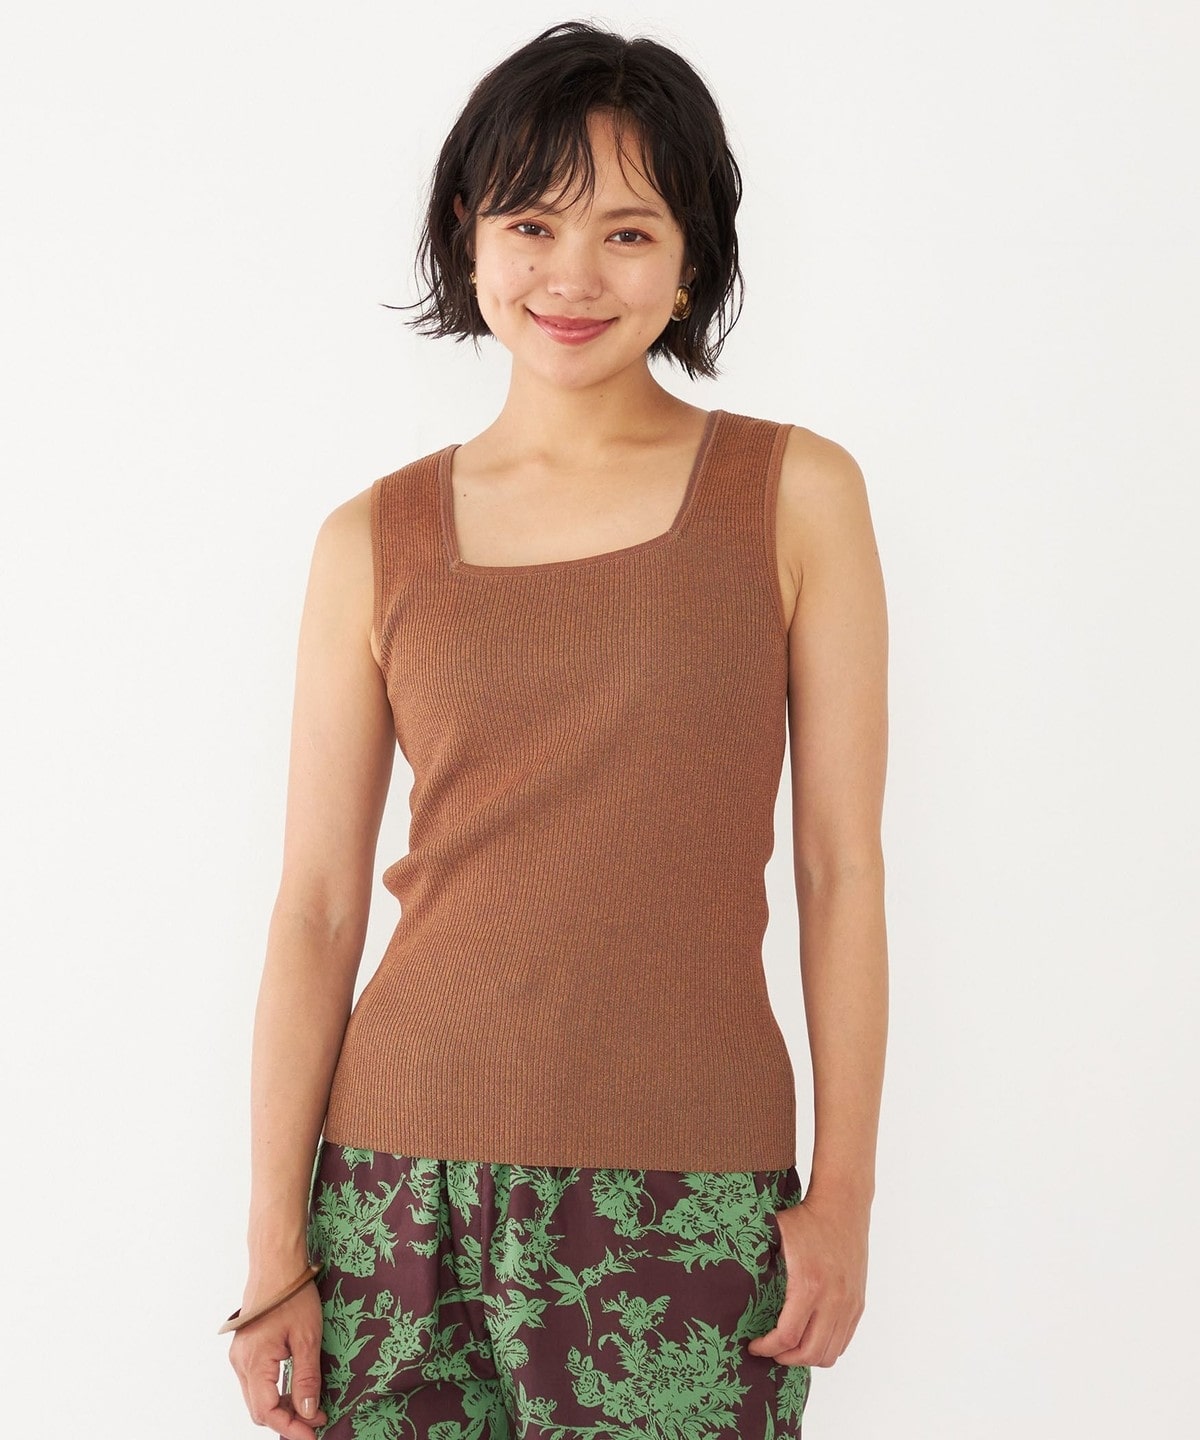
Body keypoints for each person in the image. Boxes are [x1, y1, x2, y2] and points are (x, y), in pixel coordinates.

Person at [224, 19, 888, 1440]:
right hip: (395, 1188)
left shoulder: (794, 497)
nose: (573, 276)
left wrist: (845, 1193)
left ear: (691, 258)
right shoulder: (372, 538)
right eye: (531, 224)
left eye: (628, 232)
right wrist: (276, 1251)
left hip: (689, 1187)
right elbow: (319, 907)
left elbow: (840, 868)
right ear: (468, 237)